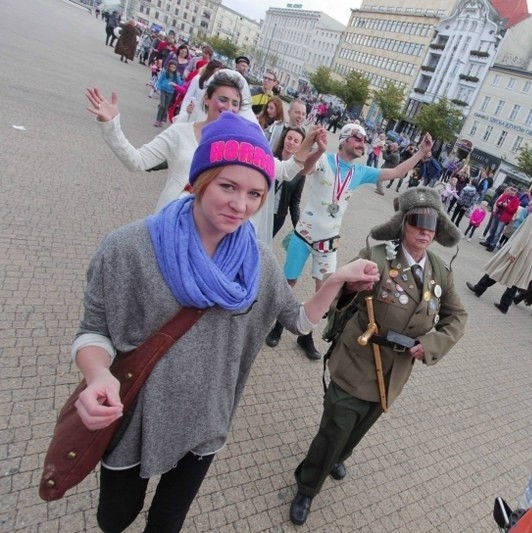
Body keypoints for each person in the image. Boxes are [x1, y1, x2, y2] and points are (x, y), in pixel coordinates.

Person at [71, 112, 380, 532]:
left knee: (166, 523)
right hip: (136, 412)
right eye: (227, 186)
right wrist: (96, 377)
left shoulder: (258, 260)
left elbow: (299, 321)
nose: (241, 205)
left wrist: (338, 280)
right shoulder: (129, 248)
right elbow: (94, 331)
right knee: (115, 517)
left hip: (207, 419)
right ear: (201, 179)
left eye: (255, 194)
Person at [289, 187, 467, 525]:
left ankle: (340, 456)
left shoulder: (440, 272)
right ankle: (307, 486)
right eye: (418, 222)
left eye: (432, 224)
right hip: (359, 357)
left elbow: (457, 317)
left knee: (362, 424)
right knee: (336, 427)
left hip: (395, 369)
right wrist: (350, 288)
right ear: (403, 224)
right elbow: (340, 295)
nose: (425, 231)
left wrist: (430, 346)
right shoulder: (378, 256)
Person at [266, 125, 435, 359]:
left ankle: (305, 336)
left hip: (328, 241)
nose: (362, 143)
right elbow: (303, 170)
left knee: (326, 291)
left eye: (365, 140)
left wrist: (421, 153)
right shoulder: (323, 159)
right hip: (304, 234)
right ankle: (278, 326)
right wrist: (318, 149)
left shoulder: (360, 171)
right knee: (289, 282)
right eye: (357, 138)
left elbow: (396, 172)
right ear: (344, 140)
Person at [86, 70, 309, 219]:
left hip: (212, 231)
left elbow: (280, 171)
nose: (228, 108)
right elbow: (137, 161)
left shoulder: (240, 143)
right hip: (170, 221)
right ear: (207, 99)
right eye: (222, 99)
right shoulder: (180, 133)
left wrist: (304, 151)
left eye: (235, 103)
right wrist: (111, 125)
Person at [465, 190, 532, 312]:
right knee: (516, 278)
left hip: (519, 249)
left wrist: (514, 252)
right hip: (531, 253)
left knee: (499, 268)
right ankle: (504, 304)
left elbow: (525, 235)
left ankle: (479, 288)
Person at [481, 186, 519, 251]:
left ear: (516, 192)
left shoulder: (516, 200)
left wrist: (507, 206)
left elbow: (513, 210)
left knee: (497, 232)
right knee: (492, 229)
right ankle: (488, 242)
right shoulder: (505, 196)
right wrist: (500, 203)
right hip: (497, 214)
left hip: (504, 218)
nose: (512, 191)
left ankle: (492, 245)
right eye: (512, 189)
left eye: (514, 190)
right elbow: (498, 202)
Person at [153, 60, 183, 127]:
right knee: (162, 105)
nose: (172, 69)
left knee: (166, 107)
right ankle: (157, 120)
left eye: (174, 68)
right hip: (163, 90)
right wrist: (158, 88)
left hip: (170, 92)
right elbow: (160, 81)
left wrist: (178, 76)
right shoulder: (164, 72)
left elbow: (179, 83)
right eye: (171, 67)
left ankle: (161, 120)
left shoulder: (176, 75)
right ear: (168, 67)